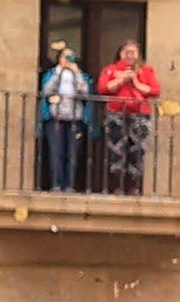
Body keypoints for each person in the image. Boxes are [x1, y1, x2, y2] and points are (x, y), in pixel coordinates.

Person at [92, 38, 160, 197]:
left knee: (137, 151)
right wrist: (121, 79)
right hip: (116, 114)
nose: (130, 55)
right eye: (126, 52)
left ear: (138, 54)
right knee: (115, 150)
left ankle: (133, 187)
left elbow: (155, 91)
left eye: (133, 52)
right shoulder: (111, 69)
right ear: (120, 54)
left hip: (140, 115)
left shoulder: (147, 71)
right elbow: (103, 88)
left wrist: (135, 81)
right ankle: (116, 186)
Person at [34, 42, 91, 193]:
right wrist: (59, 73)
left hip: (74, 118)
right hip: (55, 117)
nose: (68, 60)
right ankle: (56, 184)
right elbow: (46, 90)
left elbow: (85, 92)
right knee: (56, 152)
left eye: (71, 57)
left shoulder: (80, 75)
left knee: (72, 153)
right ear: (59, 58)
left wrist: (77, 74)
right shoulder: (52, 74)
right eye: (65, 56)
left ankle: (70, 185)